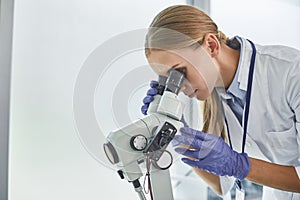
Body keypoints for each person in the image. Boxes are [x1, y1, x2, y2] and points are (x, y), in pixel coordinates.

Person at [141, 5, 300, 200]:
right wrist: (176, 133)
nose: (180, 87)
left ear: (211, 45)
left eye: (179, 72)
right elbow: (220, 184)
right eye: (169, 79)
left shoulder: (291, 73)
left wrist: (238, 165)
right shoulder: (215, 92)